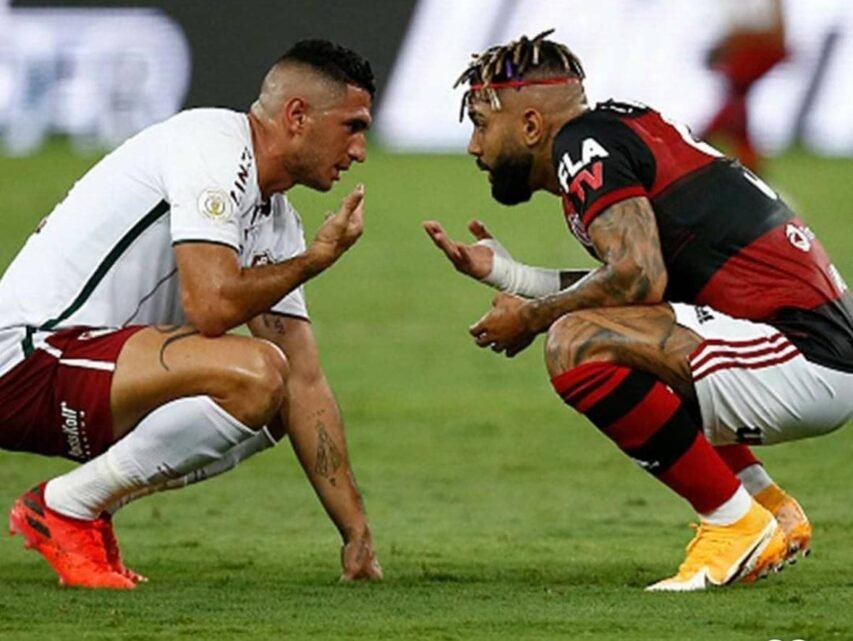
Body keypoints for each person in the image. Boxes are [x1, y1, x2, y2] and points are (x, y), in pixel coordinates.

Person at [424, 30, 853, 591]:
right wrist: (512, 277)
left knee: (575, 342)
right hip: (808, 347)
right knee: (617, 339)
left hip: (802, 353)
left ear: (531, 126)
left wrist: (532, 318)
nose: (473, 147)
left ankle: (733, 524)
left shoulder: (583, 148)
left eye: (481, 124)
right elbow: (646, 289)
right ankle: (765, 507)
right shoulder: (612, 132)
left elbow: (636, 278)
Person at [0, 39, 383, 589]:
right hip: (28, 359)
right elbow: (209, 307)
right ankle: (66, 507)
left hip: (92, 371)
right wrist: (315, 260)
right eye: (352, 126)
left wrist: (356, 533)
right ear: (297, 116)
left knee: (279, 394)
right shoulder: (213, 148)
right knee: (258, 373)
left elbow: (306, 380)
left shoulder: (276, 219)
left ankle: (81, 505)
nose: (361, 150)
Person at [700, 0, 787, 171]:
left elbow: (774, 31)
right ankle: (747, 160)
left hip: (755, 50)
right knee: (737, 109)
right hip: (748, 51)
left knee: (734, 106)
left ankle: (704, 139)